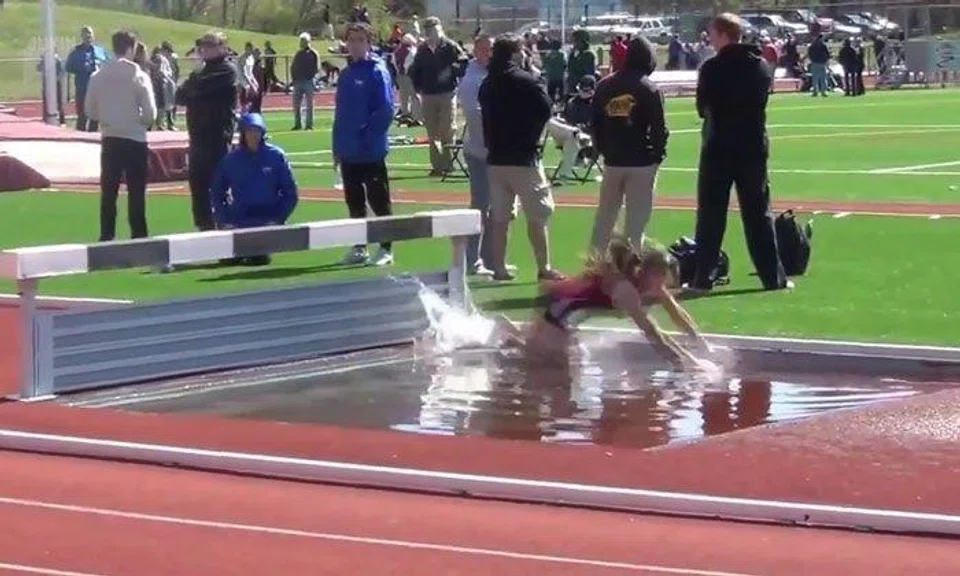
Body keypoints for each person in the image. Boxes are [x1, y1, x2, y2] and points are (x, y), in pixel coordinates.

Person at [494, 238, 715, 373]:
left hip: (563, 305)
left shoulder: (649, 284)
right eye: (662, 280)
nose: (664, 288)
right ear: (646, 273)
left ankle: (511, 330)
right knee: (544, 364)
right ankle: (504, 337)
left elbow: (677, 313)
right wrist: (688, 363)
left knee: (565, 360)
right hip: (559, 306)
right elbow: (652, 332)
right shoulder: (626, 290)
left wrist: (700, 341)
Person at [690, 13, 789, 294]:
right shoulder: (760, 66)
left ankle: (703, 277)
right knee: (758, 213)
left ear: (722, 34)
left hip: (717, 147)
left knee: (710, 215)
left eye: (712, 33)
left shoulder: (712, 68)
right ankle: (773, 277)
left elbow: (702, 108)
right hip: (752, 147)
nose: (709, 38)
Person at [479, 33, 563, 283]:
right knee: (538, 215)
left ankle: (499, 267)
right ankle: (543, 266)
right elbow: (547, 108)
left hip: (496, 158)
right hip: (524, 157)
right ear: (517, 53)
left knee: (501, 217)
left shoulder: (488, 83)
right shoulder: (526, 81)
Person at [589, 36, 667, 252]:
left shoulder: (605, 85)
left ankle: (594, 265)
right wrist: (657, 154)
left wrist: (603, 149)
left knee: (604, 218)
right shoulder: (649, 88)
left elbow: (594, 122)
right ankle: (631, 267)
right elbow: (659, 128)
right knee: (636, 223)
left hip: (613, 160)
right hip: (641, 161)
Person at [333, 22, 397, 267]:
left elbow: (385, 110)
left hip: (370, 151)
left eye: (361, 39)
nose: (355, 44)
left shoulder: (377, 71)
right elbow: (341, 115)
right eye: (351, 40)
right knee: (354, 201)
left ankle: (385, 247)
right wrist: (337, 147)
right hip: (349, 150)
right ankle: (359, 246)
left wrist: (367, 137)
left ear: (369, 43)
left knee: (378, 199)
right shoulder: (347, 74)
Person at [83, 30, 157, 242]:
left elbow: (89, 110)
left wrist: (107, 119)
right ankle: (139, 235)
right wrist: (137, 121)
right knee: (136, 192)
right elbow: (150, 113)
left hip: (110, 137)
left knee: (109, 191)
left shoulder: (98, 75)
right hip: (135, 138)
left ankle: (107, 235)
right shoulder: (139, 76)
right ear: (132, 48)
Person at [210, 113, 298, 266]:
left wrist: (278, 218)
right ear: (243, 133)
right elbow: (217, 193)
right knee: (229, 260)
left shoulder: (276, 156)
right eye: (249, 131)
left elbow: (290, 193)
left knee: (258, 259)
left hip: (267, 219)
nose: (253, 135)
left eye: (257, 131)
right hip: (239, 219)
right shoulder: (231, 160)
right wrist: (223, 222)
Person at [176, 31, 239, 232]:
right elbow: (179, 96)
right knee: (198, 188)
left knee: (220, 187)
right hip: (197, 138)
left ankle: (227, 227)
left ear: (222, 47)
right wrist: (195, 84)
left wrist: (194, 85)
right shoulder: (200, 73)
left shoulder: (227, 70)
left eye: (211, 45)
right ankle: (204, 228)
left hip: (218, 138)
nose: (205, 49)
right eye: (203, 45)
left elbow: (200, 89)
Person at [65, 26, 107, 132]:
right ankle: (80, 137)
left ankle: (93, 136)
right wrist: (81, 68)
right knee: (82, 116)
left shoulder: (100, 51)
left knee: (95, 116)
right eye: (85, 34)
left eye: (90, 34)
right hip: (82, 87)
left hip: (97, 88)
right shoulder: (76, 52)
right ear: (82, 36)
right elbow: (68, 67)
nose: (88, 36)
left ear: (93, 36)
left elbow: (108, 64)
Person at [290, 33, 319, 131]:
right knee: (296, 104)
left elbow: (316, 67)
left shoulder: (313, 53)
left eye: (303, 41)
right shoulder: (298, 54)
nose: (301, 43)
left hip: (308, 81)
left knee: (309, 104)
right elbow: (293, 67)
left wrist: (311, 76)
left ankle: (309, 125)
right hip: (298, 81)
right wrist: (293, 79)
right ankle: (298, 124)